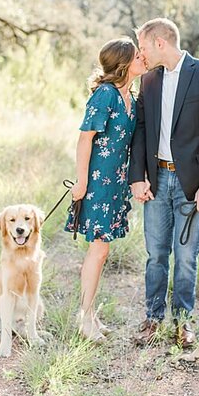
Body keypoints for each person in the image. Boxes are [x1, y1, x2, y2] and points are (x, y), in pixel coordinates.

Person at [129, 18, 199, 347]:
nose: (141, 55)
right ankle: (153, 318)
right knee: (155, 254)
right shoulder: (148, 80)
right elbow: (140, 131)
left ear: (160, 43)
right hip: (156, 180)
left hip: (192, 184)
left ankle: (183, 322)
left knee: (186, 257)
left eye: (143, 47)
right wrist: (137, 177)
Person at [65, 37, 148, 341]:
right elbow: (85, 138)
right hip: (98, 183)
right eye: (138, 55)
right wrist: (82, 181)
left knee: (102, 251)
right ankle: (85, 319)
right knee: (98, 251)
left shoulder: (131, 98)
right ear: (124, 63)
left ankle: (89, 315)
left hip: (117, 184)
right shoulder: (105, 95)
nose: (144, 58)